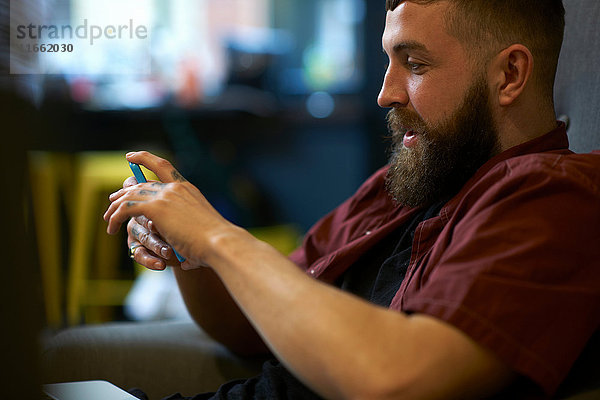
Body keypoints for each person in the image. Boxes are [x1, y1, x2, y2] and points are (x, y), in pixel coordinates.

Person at [104, 0, 600, 398]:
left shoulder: (554, 197)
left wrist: (216, 236)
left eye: (416, 64)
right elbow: (245, 328)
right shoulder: (403, 186)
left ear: (510, 74)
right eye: (389, 61)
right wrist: (187, 249)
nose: (385, 93)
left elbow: (400, 379)